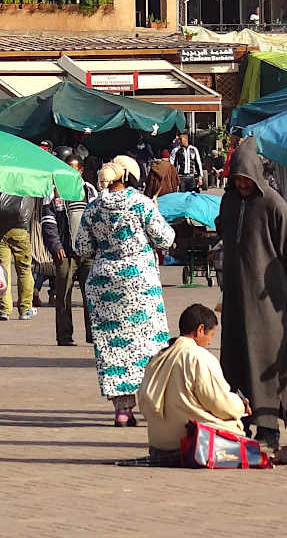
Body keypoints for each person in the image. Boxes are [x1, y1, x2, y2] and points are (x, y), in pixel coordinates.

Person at [216, 137, 287, 449]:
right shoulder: (229, 202)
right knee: (235, 357)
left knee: (266, 360)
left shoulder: (273, 204)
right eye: (236, 179)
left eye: (245, 178)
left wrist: (280, 287)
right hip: (235, 297)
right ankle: (239, 419)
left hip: (267, 302)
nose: (241, 185)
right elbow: (223, 234)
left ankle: (268, 427)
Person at [73, 156, 175, 426]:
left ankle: (122, 410)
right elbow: (166, 238)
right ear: (129, 176)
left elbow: (82, 248)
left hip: (104, 281)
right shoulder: (141, 204)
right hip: (140, 283)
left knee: (112, 347)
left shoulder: (93, 208)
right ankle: (153, 404)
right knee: (149, 343)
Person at [136, 303, 248, 462]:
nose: (210, 342)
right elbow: (218, 403)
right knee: (235, 425)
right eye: (211, 335)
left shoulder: (157, 358)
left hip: (159, 445)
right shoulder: (198, 357)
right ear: (200, 330)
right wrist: (241, 405)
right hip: (192, 443)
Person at [42, 153, 96, 347]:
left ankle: (93, 334)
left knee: (91, 295)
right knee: (63, 295)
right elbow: (48, 221)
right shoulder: (54, 192)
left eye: (74, 169)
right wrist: (55, 245)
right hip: (65, 253)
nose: (70, 172)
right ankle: (64, 336)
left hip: (87, 254)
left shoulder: (89, 190)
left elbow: (96, 220)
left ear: (80, 170)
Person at [0, 189, 36, 321]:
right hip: (19, 229)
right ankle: (25, 309)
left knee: (2, 271)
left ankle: (4, 310)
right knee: (24, 270)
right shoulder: (23, 178)